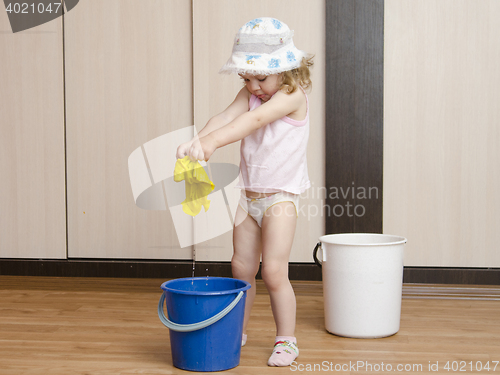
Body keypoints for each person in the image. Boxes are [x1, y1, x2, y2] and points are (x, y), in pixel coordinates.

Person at [176, 17, 313, 367]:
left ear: (286, 69)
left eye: (260, 77)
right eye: (246, 78)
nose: (253, 86)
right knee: (241, 268)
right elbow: (225, 118)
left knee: (273, 271)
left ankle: (287, 339)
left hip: (280, 197)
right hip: (249, 196)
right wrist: (198, 140)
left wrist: (212, 144)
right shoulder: (254, 91)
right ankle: (238, 330)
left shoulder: (290, 96)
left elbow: (251, 122)